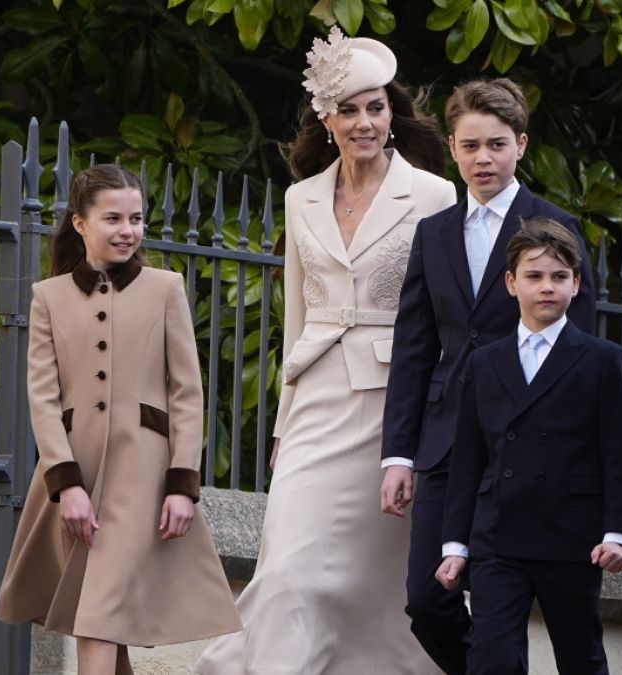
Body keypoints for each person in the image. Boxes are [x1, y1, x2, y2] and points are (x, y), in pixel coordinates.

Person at [194, 27, 455, 675]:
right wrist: (283, 423)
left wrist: (439, 431)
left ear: (393, 113)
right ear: (326, 117)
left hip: (395, 411)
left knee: (373, 589)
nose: (364, 121)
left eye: (376, 106)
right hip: (313, 409)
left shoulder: (433, 195)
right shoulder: (299, 198)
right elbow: (298, 317)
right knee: (289, 570)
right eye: (349, 109)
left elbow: (450, 324)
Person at [380, 78, 596, 675]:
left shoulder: (557, 228)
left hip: (532, 448)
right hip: (447, 443)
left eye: (496, 145)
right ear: (451, 148)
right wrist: (398, 453)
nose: (483, 159)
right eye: (470, 146)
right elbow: (414, 347)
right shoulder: (435, 232)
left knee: (547, 611)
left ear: (521, 145)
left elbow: (580, 351)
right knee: (427, 600)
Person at [0, 164, 241, 674]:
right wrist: (66, 486)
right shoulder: (49, 297)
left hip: (143, 476)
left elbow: (188, 394)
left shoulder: (166, 288)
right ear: (80, 223)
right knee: (106, 619)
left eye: (136, 218)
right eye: (113, 218)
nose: (128, 229)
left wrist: (182, 482)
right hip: (75, 471)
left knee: (100, 614)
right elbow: (42, 398)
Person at [434, 218, 622, 675]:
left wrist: (616, 534)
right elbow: (467, 459)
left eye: (560, 276)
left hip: (572, 539)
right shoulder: (485, 362)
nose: (547, 287)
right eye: (534, 275)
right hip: (498, 536)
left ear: (577, 284)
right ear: (511, 282)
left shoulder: (603, 360)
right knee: (492, 659)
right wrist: (454, 545)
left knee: (580, 658)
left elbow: (616, 454)